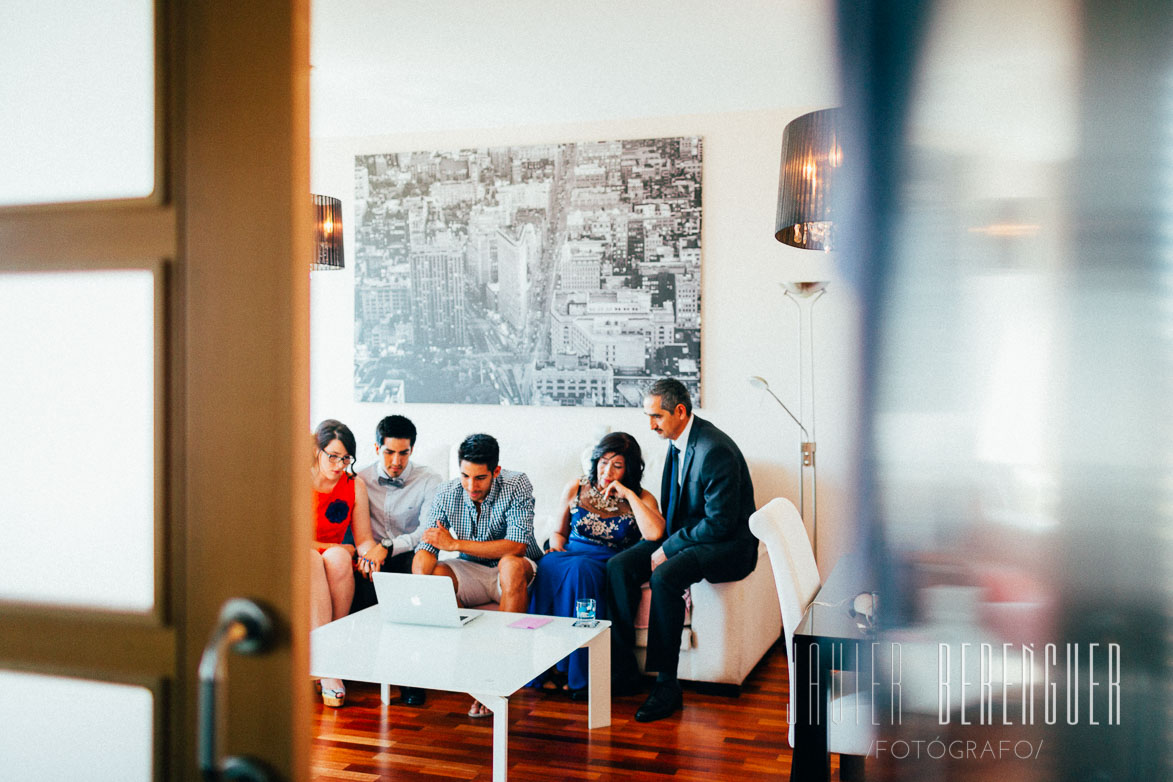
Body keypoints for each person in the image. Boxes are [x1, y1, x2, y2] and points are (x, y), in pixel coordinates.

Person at [606, 378, 757, 722]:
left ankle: (666, 684)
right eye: (647, 416)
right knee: (619, 566)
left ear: (679, 411)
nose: (650, 425)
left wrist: (668, 549)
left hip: (727, 545)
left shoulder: (713, 449)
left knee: (666, 576)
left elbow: (719, 524)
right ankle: (624, 670)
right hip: (690, 536)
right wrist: (660, 542)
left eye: (656, 416)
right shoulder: (677, 442)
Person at [413, 433, 543, 717]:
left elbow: (517, 544)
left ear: (495, 471)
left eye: (480, 478)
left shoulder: (517, 483)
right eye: (465, 476)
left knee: (509, 564)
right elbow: (426, 547)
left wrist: (455, 544)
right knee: (435, 575)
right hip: (470, 568)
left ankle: (501, 677)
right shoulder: (447, 492)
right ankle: (475, 670)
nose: (471, 486)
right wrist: (418, 588)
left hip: (513, 566)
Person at [529, 432, 665, 696]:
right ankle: (550, 668)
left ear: (630, 469)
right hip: (569, 554)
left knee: (582, 572)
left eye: (617, 465)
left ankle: (578, 674)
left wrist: (627, 493)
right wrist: (556, 545)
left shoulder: (642, 497)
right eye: (603, 462)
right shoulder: (576, 486)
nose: (608, 471)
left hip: (606, 561)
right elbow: (558, 532)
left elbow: (655, 533)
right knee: (549, 565)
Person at [352, 414, 443, 706]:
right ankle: (361, 669)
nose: (396, 461)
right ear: (376, 448)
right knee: (361, 579)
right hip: (370, 555)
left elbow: (425, 533)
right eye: (389, 452)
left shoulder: (430, 480)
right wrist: (370, 554)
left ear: (412, 450)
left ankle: (409, 678)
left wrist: (389, 547)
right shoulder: (360, 480)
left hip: (408, 555)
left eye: (403, 453)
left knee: (410, 580)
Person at [310, 418, 372, 708]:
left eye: (345, 458)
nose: (339, 465)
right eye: (332, 456)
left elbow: (363, 540)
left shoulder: (353, 484)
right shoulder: (298, 478)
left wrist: (372, 555)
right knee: (312, 558)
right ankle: (327, 664)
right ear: (316, 451)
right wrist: (337, 546)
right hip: (302, 552)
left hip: (334, 552)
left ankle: (330, 657)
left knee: (337, 559)